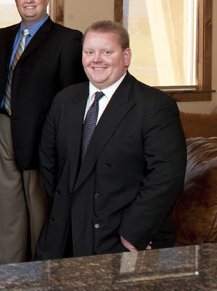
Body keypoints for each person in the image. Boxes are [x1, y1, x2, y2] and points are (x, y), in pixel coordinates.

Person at [35, 20, 186, 259]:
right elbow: (48, 162)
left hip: (122, 238)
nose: (97, 59)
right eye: (90, 52)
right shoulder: (65, 100)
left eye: (107, 52)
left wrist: (134, 232)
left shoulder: (155, 105)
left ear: (126, 56)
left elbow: (166, 176)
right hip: (64, 234)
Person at [0, 0, 87, 264]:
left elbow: (71, 98)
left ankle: (43, 270)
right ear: (15, 1)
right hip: (2, 128)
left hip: (42, 134)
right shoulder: (1, 37)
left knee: (40, 208)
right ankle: (11, 269)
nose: (29, 1)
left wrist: (62, 142)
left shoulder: (67, 39)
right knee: (9, 206)